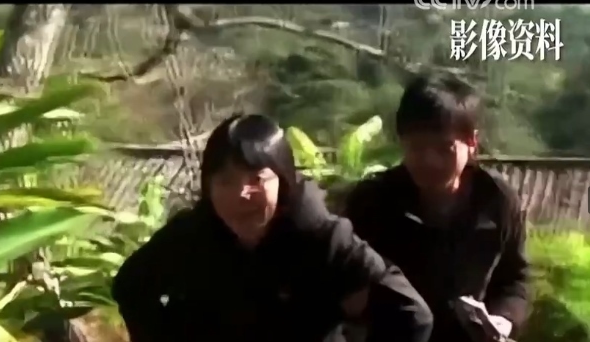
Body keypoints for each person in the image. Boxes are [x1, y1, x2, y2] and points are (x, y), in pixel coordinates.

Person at [112, 114, 433, 342]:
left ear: (283, 180)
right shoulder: (194, 234)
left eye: (257, 179)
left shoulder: (321, 237)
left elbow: (411, 314)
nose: (241, 194)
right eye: (225, 181)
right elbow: (131, 286)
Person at [344, 76, 530, 342]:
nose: (429, 161)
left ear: (472, 143)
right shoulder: (373, 202)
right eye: (417, 147)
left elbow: (515, 278)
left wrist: (504, 319)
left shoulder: (496, 200)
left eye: (445, 149)